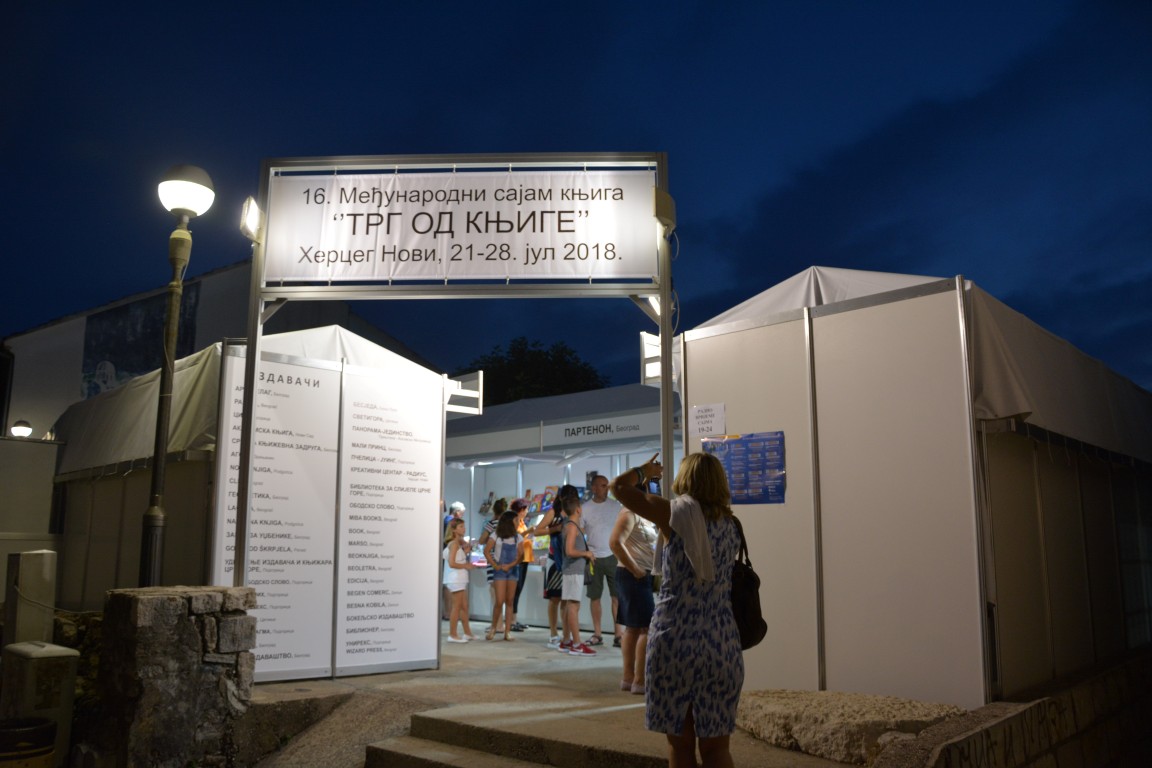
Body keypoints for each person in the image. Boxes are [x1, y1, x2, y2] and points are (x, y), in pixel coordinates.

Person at [610, 454, 742, 768]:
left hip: (675, 640)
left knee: (680, 746)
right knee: (717, 749)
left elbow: (618, 488)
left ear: (685, 479)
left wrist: (644, 471)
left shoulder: (674, 513)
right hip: (722, 642)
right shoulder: (731, 525)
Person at [609, 501, 658, 694]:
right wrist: (636, 569)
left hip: (640, 575)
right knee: (645, 627)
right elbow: (615, 542)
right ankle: (639, 679)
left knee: (635, 627)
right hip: (633, 575)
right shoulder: (630, 513)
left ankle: (630, 678)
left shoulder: (643, 514)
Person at [528, 484, 580, 647]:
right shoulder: (553, 512)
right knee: (555, 598)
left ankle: (566, 634)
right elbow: (537, 531)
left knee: (567, 599)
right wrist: (554, 529)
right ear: (561, 497)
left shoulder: (575, 512)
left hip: (570, 560)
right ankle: (553, 633)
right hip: (555, 559)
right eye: (569, 497)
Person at [581, 474, 623, 646]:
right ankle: (597, 633)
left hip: (613, 556)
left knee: (617, 596)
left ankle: (618, 634)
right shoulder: (585, 508)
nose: (606, 489)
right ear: (594, 488)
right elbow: (579, 532)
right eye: (603, 485)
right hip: (593, 558)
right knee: (594, 597)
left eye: (607, 485)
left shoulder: (616, 506)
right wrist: (584, 552)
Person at [559, 495, 596, 656]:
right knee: (573, 607)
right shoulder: (572, 526)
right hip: (574, 570)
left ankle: (567, 641)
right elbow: (569, 551)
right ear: (578, 510)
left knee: (570, 606)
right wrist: (586, 553)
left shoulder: (569, 525)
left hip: (571, 570)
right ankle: (576, 644)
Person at [483, 510, 521, 641]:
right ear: (509, 521)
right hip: (499, 571)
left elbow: (521, 556)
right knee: (499, 601)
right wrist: (494, 565)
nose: (518, 522)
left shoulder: (518, 537)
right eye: (516, 520)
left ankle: (507, 631)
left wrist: (510, 565)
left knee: (510, 601)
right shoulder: (496, 535)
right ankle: (493, 628)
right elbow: (486, 551)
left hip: (513, 570)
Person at [442, 518, 476, 643]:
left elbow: (455, 560)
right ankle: (453, 634)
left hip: (459, 579)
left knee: (464, 606)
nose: (464, 529)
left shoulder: (455, 544)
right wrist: (466, 565)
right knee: (456, 607)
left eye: (463, 526)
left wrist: (465, 553)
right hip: (455, 579)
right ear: (454, 529)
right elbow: (452, 563)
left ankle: (467, 633)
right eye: (461, 526)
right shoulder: (454, 544)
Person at [477, 497, 508, 634]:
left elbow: (481, 540)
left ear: (494, 510)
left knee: (494, 593)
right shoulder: (508, 525)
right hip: (506, 560)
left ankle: (497, 624)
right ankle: (502, 624)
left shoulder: (491, 524)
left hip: (493, 560)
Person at [509, 498, 533, 631]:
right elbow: (516, 537)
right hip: (518, 559)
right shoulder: (514, 521)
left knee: (518, 590)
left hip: (525, 558)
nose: (527, 511)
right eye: (525, 509)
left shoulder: (522, 522)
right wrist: (529, 531)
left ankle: (514, 619)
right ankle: (511, 621)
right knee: (515, 590)